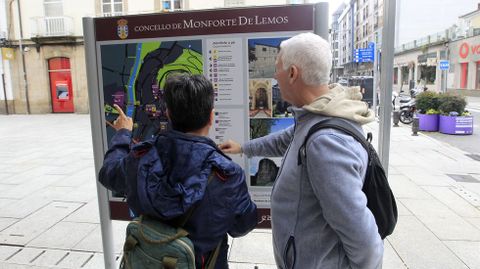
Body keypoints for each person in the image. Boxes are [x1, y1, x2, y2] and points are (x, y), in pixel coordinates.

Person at [220, 33, 383, 269]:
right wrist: (243, 148)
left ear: (293, 73)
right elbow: (283, 140)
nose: (275, 77)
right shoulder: (316, 116)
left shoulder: (326, 143)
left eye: (278, 69)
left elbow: (362, 236)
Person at [99, 74, 258, 269]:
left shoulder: (141, 157)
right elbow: (243, 225)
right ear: (211, 116)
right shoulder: (226, 174)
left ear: (168, 114)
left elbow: (109, 173)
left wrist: (123, 134)